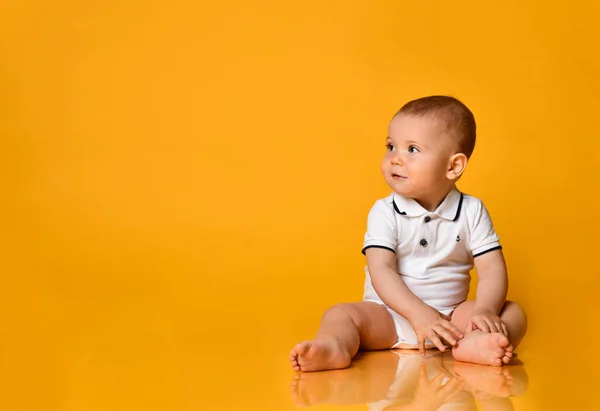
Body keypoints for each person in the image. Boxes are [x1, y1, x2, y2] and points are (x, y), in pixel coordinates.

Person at [290, 96, 527, 372]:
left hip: (450, 320)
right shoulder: (384, 211)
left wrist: (484, 310)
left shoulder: (472, 210)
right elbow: (381, 270)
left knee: (513, 312)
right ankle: (333, 346)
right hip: (389, 318)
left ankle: (473, 343)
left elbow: (492, 269)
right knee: (340, 314)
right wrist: (418, 315)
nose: (396, 159)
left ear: (453, 166)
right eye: (391, 146)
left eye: (412, 149)